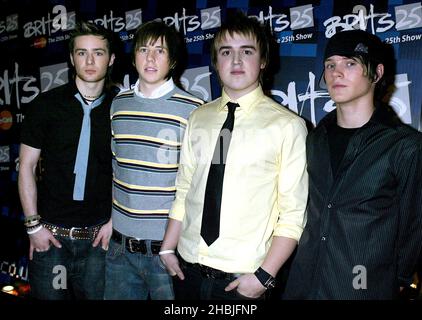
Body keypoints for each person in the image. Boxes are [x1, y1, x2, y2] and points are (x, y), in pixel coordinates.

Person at [159, 11, 308, 300]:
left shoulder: (287, 126)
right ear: (216, 62)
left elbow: (292, 214)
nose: (236, 61)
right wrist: (167, 247)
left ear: (263, 60)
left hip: (243, 283)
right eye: (226, 52)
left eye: (247, 51)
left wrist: (264, 276)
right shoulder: (198, 118)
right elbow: (185, 189)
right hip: (186, 272)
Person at [283, 29, 422, 300]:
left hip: (364, 289)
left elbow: (414, 226)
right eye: (330, 65)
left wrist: (394, 280)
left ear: (377, 73)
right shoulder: (312, 140)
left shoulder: (405, 146)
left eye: (350, 63)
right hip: (302, 285)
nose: (337, 73)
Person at [103, 20, 203, 300]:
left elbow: (199, 184)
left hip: (167, 252)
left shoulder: (194, 109)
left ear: (172, 60)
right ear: (133, 56)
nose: (150, 57)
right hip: (120, 249)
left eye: (160, 51)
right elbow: (116, 167)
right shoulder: (118, 104)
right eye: (143, 49)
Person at [18, 21, 116, 299]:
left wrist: (115, 222)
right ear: (72, 58)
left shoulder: (120, 108)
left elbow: (129, 171)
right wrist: (33, 227)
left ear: (111, 59)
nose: (89, 60)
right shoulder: (45, 106)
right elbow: (25, 166)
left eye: (98, 52)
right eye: (81, 52)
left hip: (100, 242)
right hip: (51, 241)